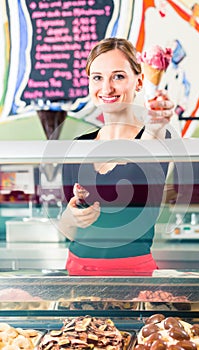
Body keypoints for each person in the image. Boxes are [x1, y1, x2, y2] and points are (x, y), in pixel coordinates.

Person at [59, 37, 174, 276]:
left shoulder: (154, 138)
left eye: (118, 76)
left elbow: (147, 149)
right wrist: (72, 217)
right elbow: (67, 230)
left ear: (139, 81)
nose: (106, 88)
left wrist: (156, 123)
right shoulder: (77, 148)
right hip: (78, 276)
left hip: (133, 278)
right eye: (97, 77)